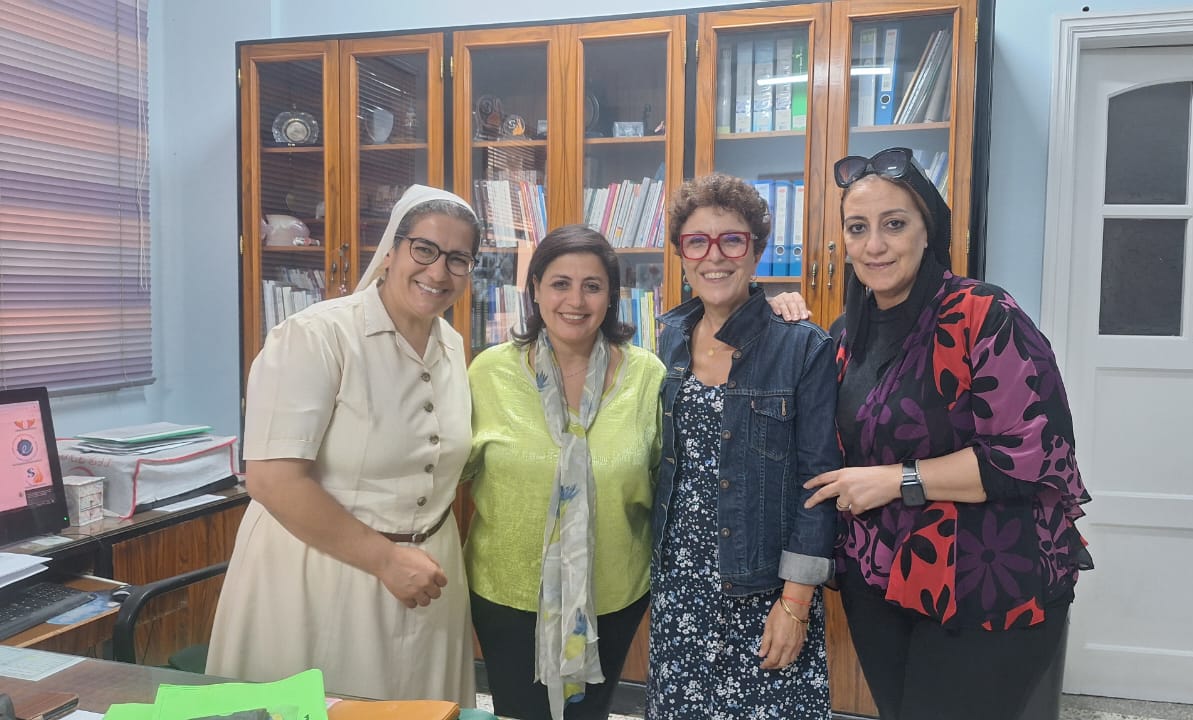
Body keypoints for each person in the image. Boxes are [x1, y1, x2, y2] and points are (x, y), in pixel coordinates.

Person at [804, 147, 1093, 720]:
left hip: (986, 586)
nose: (875, 245)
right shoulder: (845, 335)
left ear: (927, 230)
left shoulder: (984, 313)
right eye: (858, 228)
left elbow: (1033, 453)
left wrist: (898, 480)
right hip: (880, 583)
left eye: (894, 224)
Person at [207, 185, 481, 704]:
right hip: (320, 578)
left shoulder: (451, 344)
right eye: (424, 249)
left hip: (428, 579)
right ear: (392, 250)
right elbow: (271, 479)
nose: (439, 271)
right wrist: (386, 560)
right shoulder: (315, 336)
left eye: (458, 259)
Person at [645, 173, 841, 719]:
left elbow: (819, 485)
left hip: (764, 591)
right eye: (697, 241)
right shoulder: (667, 341)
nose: (715, 256)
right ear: (681, 255)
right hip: (680, 587)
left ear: (756, 251)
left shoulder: (801, 346)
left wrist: (795, 604)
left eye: (732, 240)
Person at [463, 225, 666, 720]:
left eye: (592, 286)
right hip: (508, 594)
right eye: (560, 284)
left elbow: (664, 481)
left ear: (611, 296)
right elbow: (448, 473)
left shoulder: (648, 376)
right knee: (518, 712)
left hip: (612, 594)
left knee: (588, 713)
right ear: (534, 289)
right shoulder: (488, 373)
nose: (575, 301)